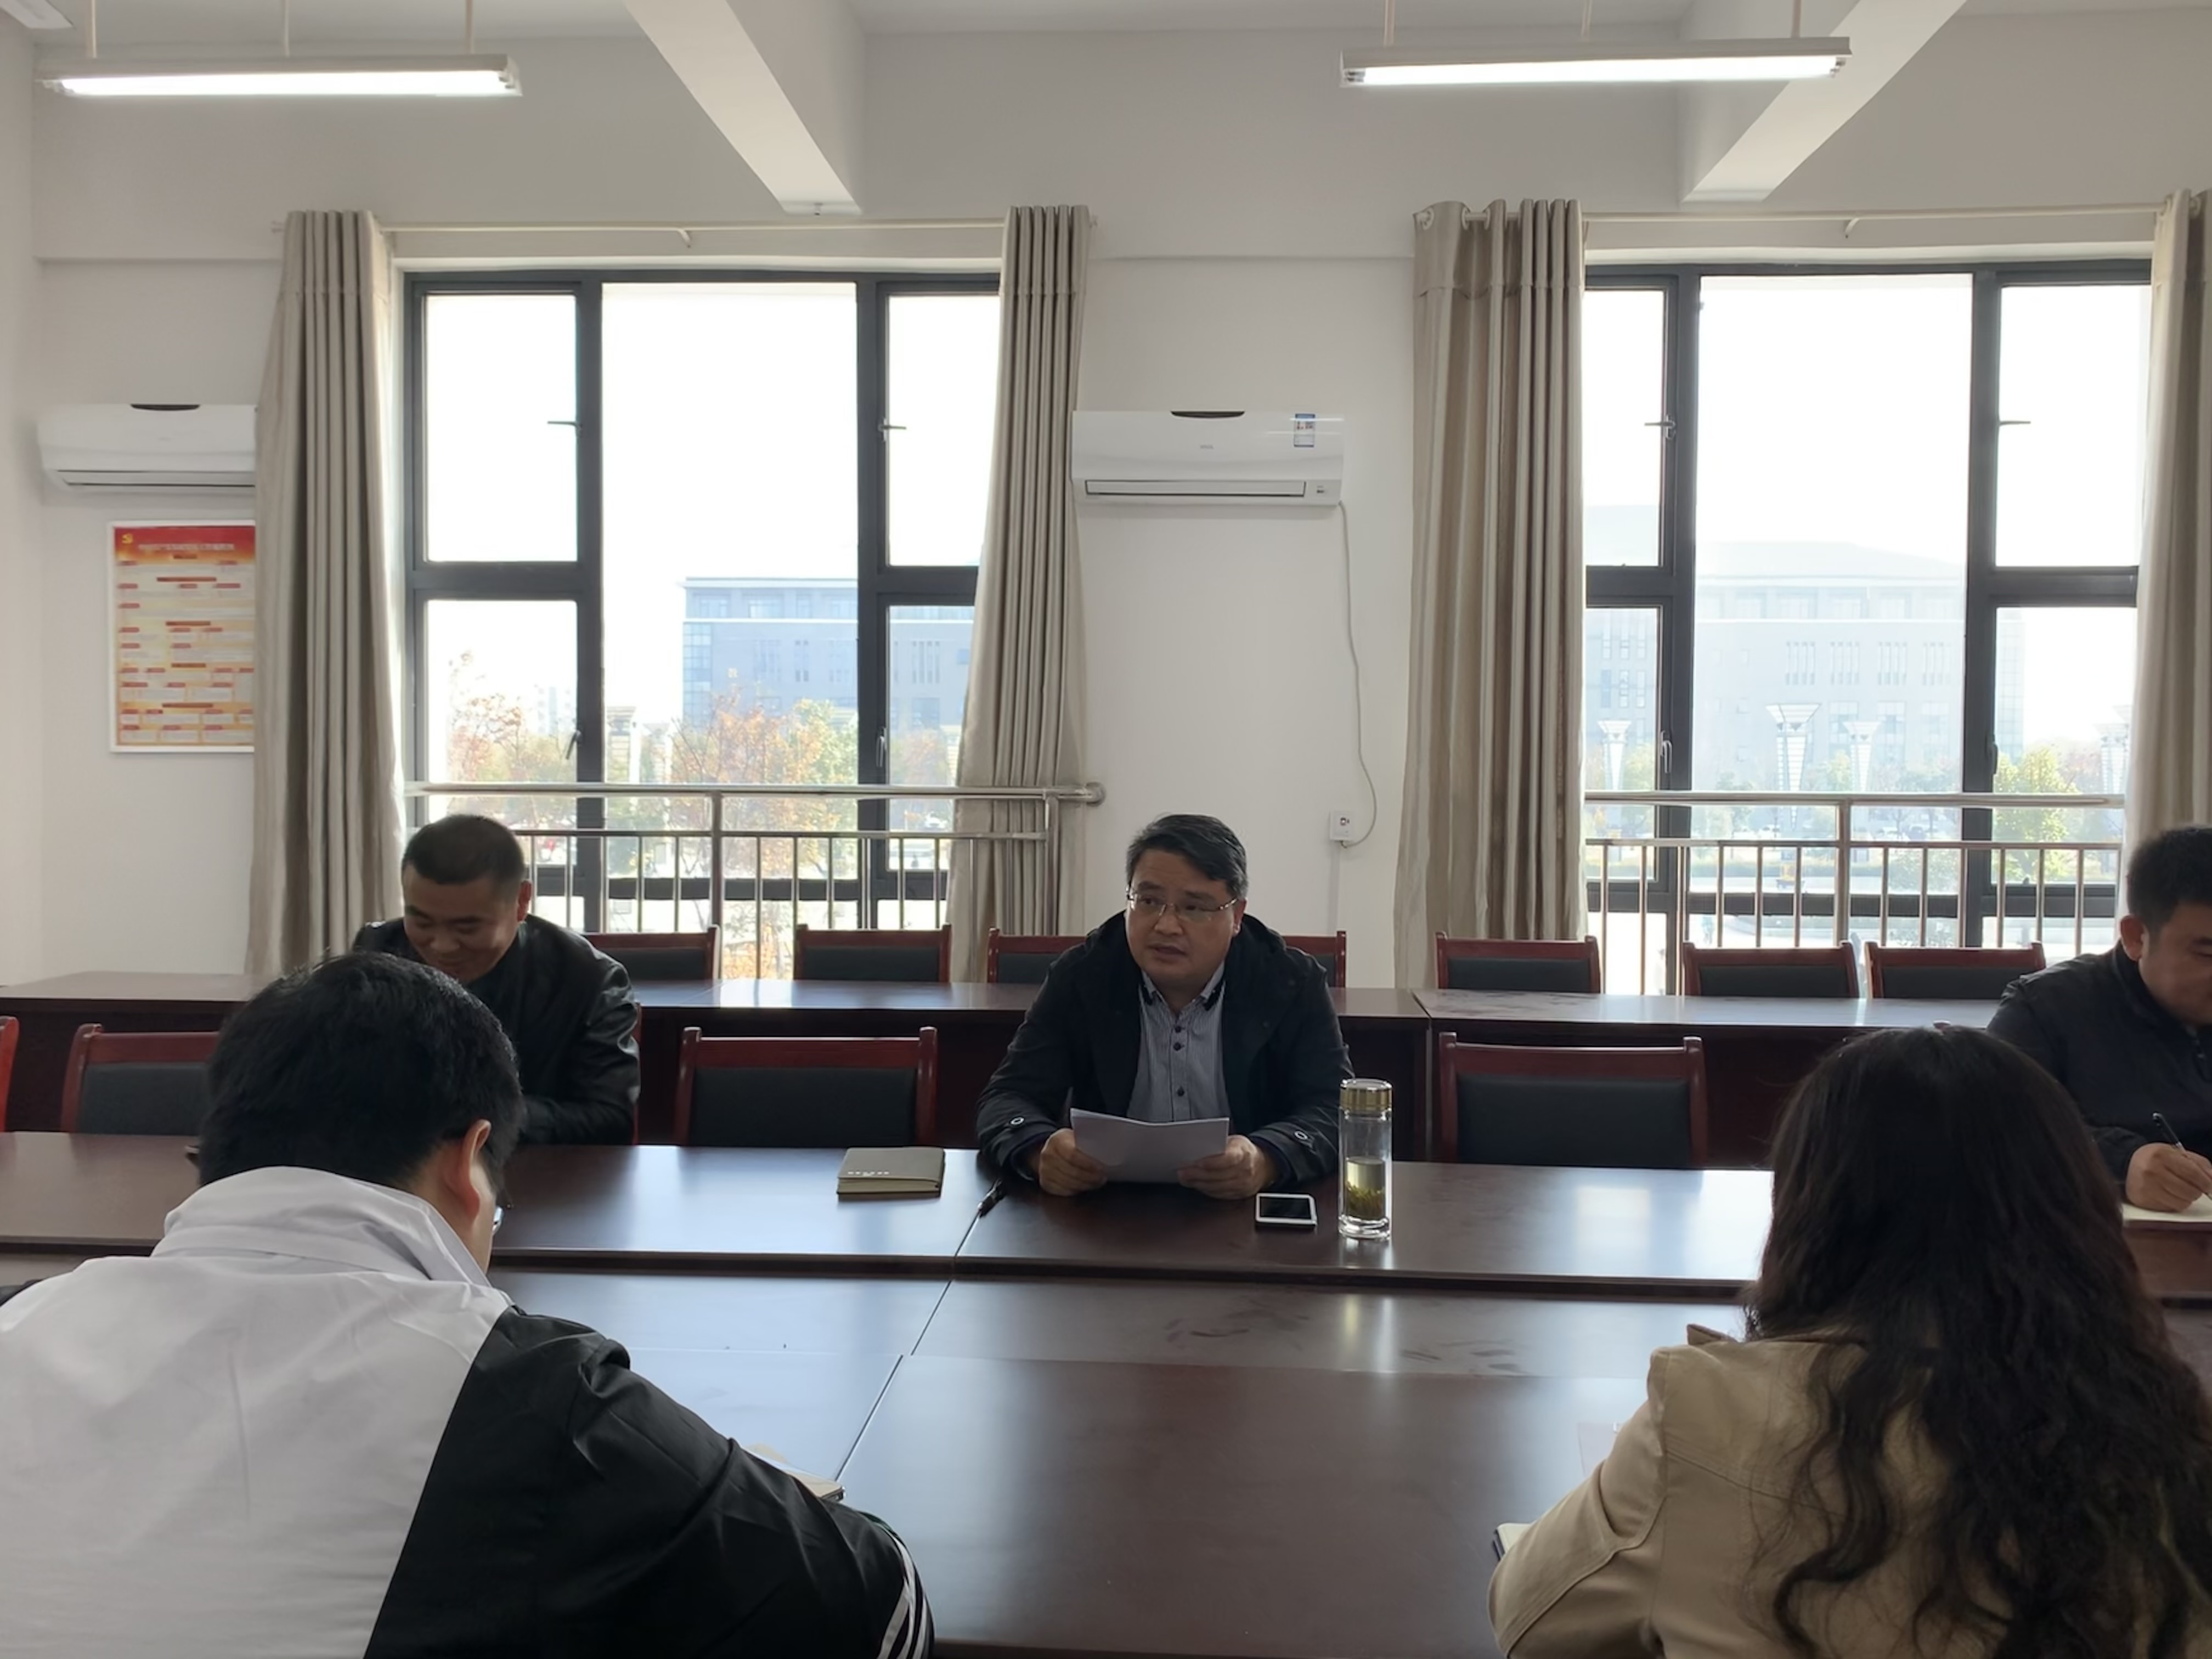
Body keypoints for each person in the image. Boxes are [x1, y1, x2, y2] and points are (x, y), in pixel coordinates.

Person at [0, 953, 932, 1658]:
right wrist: (740, 1484)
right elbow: (880, 1610)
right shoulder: (535, 1396)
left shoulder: (20, 1319)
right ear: (469, 1157)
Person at [1489, 1025, 2212, 1657]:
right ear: (2076, 1213)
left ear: (1811, 1208)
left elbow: (1529, 1621)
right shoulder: (2170, 1435)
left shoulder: (1706, 1414)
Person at [975, 813, 1347, 1199]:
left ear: (1236, 916)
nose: (1166, 926)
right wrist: (1039, 1150)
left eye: (1194, 907)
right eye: (1149, 901)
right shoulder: (1084, 975)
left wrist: (1267, 1158)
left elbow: (1334, 1107)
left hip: (1242, 1209)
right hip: (1105, 1207)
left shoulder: (1289, 981)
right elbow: (1007, 1098)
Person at [356, 812, 639, 1144]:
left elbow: (609, 1119)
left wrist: (475, 1117)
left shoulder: (588, 980)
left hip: (533, 1167)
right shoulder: (379, 954)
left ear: (521, 902)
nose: (442, 946)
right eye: (422, 923)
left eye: (467, 928)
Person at [1990, 822, 2212, 1212]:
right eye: (2207, 954)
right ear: (2136, 936)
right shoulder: (2044, 1009)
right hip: (2106, 1238)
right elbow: (1992, 1131)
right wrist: (2122, 1164)